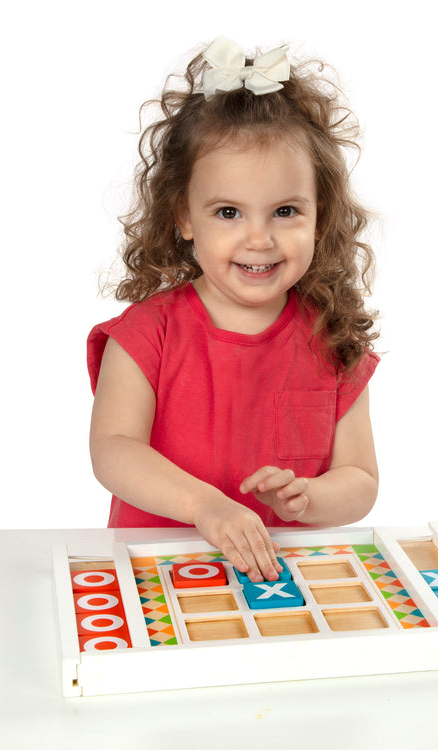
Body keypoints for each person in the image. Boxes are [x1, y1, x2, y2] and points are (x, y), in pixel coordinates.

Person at [87, 37, 380, 584]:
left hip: (284, 584)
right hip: (155, 581)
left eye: (286, 211)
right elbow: (113, 450)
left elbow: (360, 478)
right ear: (184, 217)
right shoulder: (147, 333)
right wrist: (207, 507)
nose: (259, 238)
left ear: (321, 215)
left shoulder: (333, 339)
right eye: (228, 212)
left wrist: (309, 499)